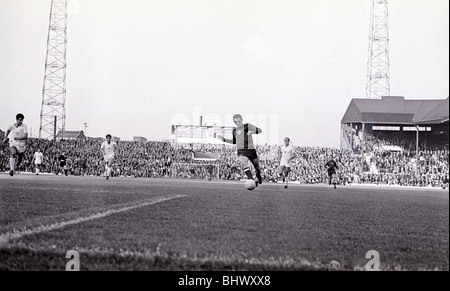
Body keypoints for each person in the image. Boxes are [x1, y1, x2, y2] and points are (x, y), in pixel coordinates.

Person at [216, 114, 263, 186]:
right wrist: (224, 140)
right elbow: (234, 141)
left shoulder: (247, 126)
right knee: (244, 163)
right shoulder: (234, 130)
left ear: (242, 120)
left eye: (239, 121)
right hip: (241, 151)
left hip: (251, 150)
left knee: (257, 168)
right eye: (236, 122)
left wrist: (252, 132)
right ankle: (251, 179)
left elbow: (259, 130)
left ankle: (258, 176)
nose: (238, 123)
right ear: (234, 122)